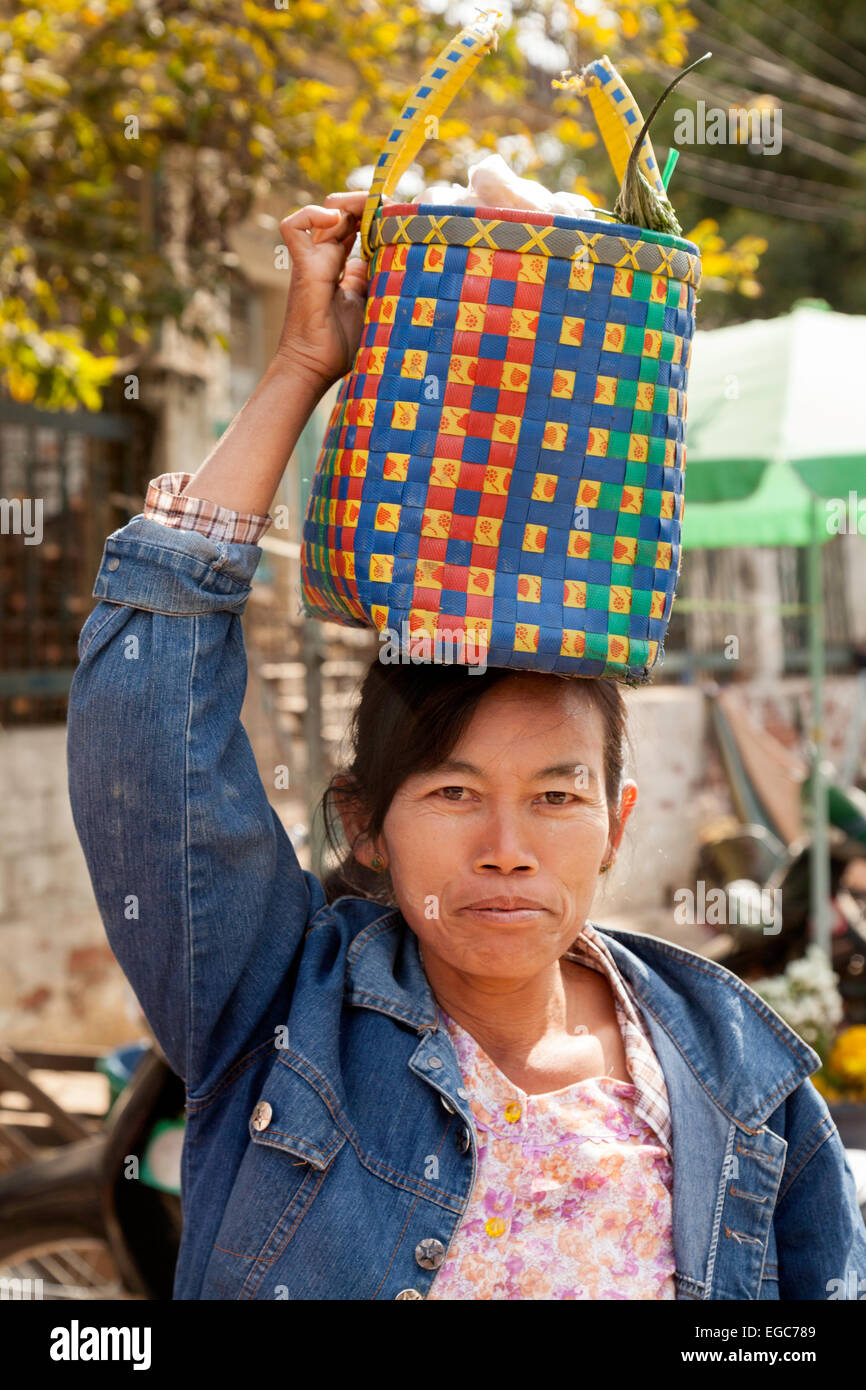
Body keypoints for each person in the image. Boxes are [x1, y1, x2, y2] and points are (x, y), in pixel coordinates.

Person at [67, 190, 866, 1301]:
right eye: (452, 793)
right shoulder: (279, 1015)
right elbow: (147, 741)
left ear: (614, 824)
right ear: (365, 825)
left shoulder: (734, 1068)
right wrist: (301, 365)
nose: (506, 847)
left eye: (554, 796)